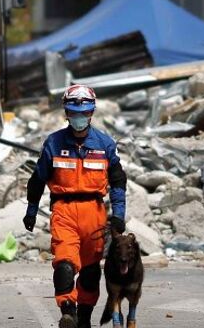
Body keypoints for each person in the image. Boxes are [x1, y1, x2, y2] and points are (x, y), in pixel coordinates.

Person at [23, 84, 127, 328]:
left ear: (91, 113)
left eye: (83, 113)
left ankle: (84, 319)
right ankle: (67, 311)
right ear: (66, 113)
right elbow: (37, 179)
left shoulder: (105, 144)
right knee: (65, 264)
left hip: (95, 213)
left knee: (91, 273)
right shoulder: (54, 143)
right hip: (64, 211)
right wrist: (31, 210)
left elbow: (118, 181)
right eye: (73, 113)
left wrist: (119, 216)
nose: (78, 118)